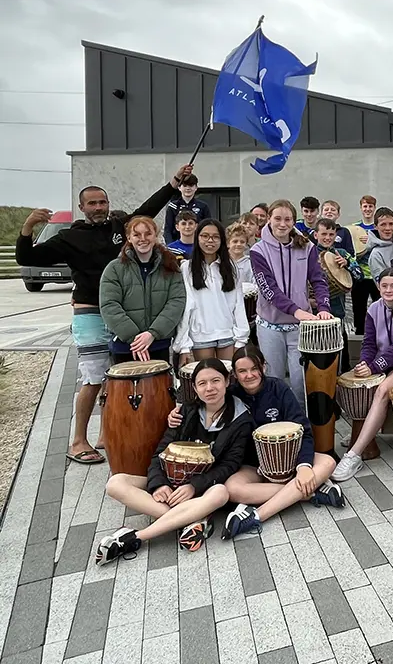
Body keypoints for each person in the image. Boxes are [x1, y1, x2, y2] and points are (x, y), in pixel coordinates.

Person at [16, 163, 191, 464]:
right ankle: (78, 440)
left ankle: (108, 431)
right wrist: (28, 227)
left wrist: (174, 182)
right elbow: (27, 256)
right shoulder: (70, 237)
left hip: (130, 314)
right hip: (92, 312)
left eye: (103, 202)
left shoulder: (119, 228)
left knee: (118, 382)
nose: (99, 207)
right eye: (92, 203)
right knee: (95, 377)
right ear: (82, 207)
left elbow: (148, 209)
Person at [163, 347, 343, 540]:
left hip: (289, 458)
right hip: (253, 464)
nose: (249, 375)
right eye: (242, 371)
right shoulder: (229, 394)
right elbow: (203, 404)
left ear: (263, 367)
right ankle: (310, 492)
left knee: (329, 463)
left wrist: (304, 466)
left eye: (254, 368)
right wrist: (177, 412)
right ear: (234, 374)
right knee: (233, 489)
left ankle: (257, 515)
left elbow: (303, 429)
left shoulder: (279, 389)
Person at [95, 359, 251, 563]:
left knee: (221, 493)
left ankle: (136, 537)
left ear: (227, 381)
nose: (210, 388)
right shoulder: (185, 412)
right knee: (115, 483)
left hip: (205, 487)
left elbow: (229, 466)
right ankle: (195, 519)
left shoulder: (241, 418)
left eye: (216, 381)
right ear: (194, 388)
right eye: (202, 383)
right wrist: (159, 484)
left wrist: (193, 487)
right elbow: (160, 451)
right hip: (171, 481)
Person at [333, 269, 393, 480]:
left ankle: (354, 455)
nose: (388, 290)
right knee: (349, 381)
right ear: (378, 287)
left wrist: (374, 366)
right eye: (384, 286)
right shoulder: (373, 308)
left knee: (381, 390)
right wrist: (364, 363)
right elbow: (368, 342)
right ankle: (361, 431)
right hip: (380, 363)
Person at [250, 200, 333, 408]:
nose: (282, 224)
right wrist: (297, 311)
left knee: (300, 383)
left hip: (300, 328)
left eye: (287, 219)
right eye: (277, 218)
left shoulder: (307, 247)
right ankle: (276, 429)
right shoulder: (258, 251)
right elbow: (269, 290)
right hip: (270, 326)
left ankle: (302, 429)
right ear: (268, 219)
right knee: (274, 381)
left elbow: (318, 279)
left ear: (294, 221)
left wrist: (323, 308)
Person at [99, 216, 187, 365]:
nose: (143, 239)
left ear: (156, 235)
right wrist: (134, 338)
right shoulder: (114, 269)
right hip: (125, 347)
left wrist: (152, 333)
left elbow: (176, 302)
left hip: (159, 344)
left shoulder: (170, 266)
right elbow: (109, 305)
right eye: (137, 234)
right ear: (128, 237)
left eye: (148, 233)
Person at [174, 219, 249, 365]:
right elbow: (186, 307)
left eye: (215, 237)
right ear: (197, 238)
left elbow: (238, 304)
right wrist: (183, 345)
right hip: (201, 336)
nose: (210, 240)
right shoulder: (186, 268)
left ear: (222, 240)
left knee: (229, 381)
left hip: (228, 334)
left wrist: (241, 339)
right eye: (205, 236)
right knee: (209, 378)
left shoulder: (231, 267)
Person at [314, 216, 362, 359]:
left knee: (339, 356)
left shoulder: (341, 253)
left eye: (331, 234)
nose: (327, 238)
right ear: (316, 235)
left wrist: (347, 264)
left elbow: (360, 276)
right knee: (318, 354)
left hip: (337, 312)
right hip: (314, 313)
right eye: (324, 234)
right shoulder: (308, 254)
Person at [349, 195, 379, 335]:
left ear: (374, 208)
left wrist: (371, 240)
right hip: (359, 275)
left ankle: (379, 331)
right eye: (365, 206)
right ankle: (360, 332)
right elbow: (350, 250)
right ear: (361, 208)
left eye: (370, 206)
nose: (368, 209)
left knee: (379, 305)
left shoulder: (379, 228)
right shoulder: (354, 228)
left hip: (376, 274)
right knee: (359, 307)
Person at [164, 173, 212, 244]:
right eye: (185, 185)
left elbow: (208, 228)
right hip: (177, 245)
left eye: (191, 185)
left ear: (196, 187)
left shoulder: (203, 206)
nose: (188, 188)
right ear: (179, 187)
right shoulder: (173, 206)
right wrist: (171, 247)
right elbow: (168, 229)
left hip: (197, 245)